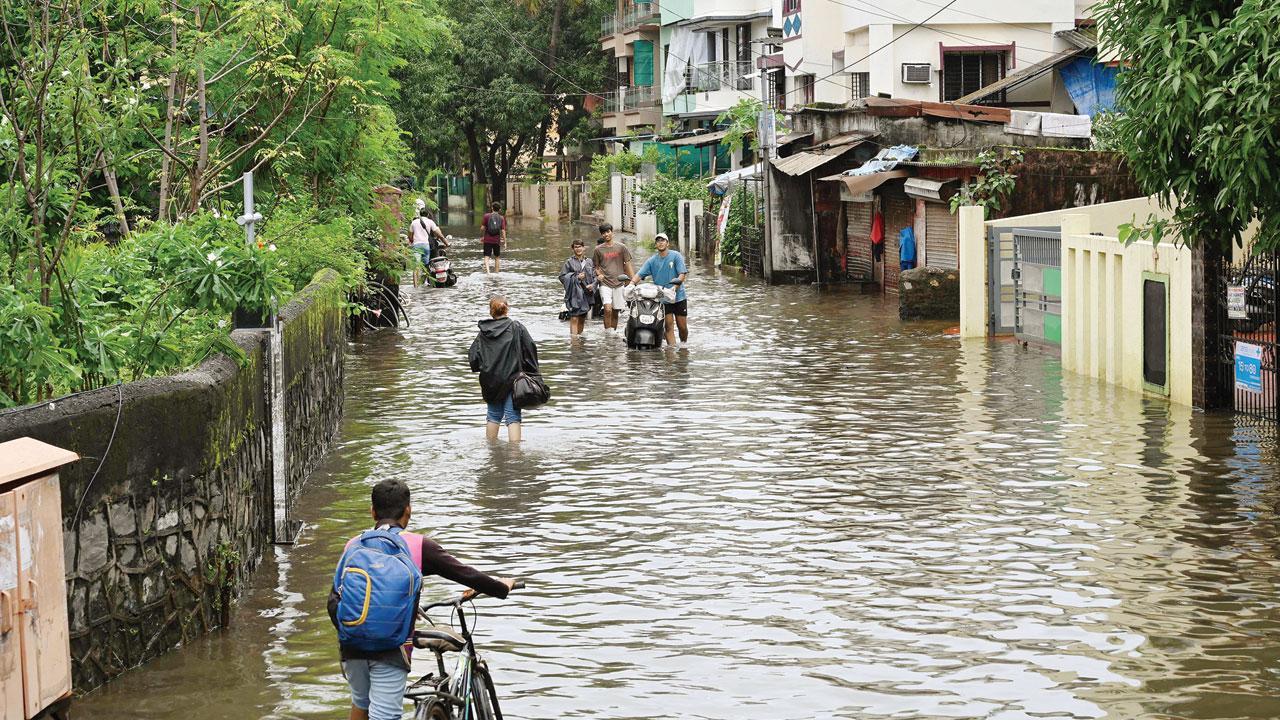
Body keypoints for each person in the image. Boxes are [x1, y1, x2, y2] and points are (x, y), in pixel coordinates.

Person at [329, 479, 516, 720]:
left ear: (372, 511)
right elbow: (465, 573)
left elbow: (334, 600)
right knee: (384, 715)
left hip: (352, 646)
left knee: (361, 704)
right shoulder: (417, 546)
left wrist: (355, 631)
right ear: (408, 510)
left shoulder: (354, 545)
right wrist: (502, 586)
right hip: (391, 648)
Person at [468, 296, 538, 442]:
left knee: (493, 415)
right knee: (512, 417)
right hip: (513, 380)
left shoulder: (483, 332)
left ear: (491, 312)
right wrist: (533, 373)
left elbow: (473, 358)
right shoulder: (517, 328)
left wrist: (485, 368)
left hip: (490, 380)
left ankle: (492, 452)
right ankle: (514, 456)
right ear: (507, 309)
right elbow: (530, 349)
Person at [631, 232, 689, 347]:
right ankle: (671, 351)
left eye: (663, 240)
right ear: (655, 245)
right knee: (668, 325)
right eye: (658, 241)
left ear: (667, 243)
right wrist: (631, 284)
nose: (660, 242)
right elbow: (639, 274)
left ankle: (683, 347)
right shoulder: (652, 261)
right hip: (663, 298)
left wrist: (674, 287)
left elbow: (682, 274)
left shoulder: (676, 256)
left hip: (678, 297)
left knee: (682, 327)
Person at [591, 223, 635, 333]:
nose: (606, 234)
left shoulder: (621, 247)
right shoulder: (598, 250)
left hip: (619, 283)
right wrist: (598, 274)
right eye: (603, 233)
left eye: (608, 232)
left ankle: (613, 332)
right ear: (602, 235)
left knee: (616, 311)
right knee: (607, 308)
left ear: (612, 232)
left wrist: (633, 281)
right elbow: (595, 267)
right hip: (605, 283)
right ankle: (607, 333)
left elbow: (628, 265)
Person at [559, 239, 596, 337]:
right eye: (576, 247)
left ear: (584, 248)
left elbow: (595, 275)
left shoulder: (589, 262)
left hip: (587, 292)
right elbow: (562, 277)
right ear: (573, 249)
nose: (578, 249)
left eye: (580, 246)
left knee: (583, 315)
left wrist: (593, 285)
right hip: (574, 292)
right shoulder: (569, 262)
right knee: (574, 316)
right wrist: (575, 277)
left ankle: (580, 337)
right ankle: (574, 341)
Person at [481, 202, 507, 274]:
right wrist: (505, 242)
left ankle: (488, 272)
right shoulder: (501, 218)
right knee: (497, 257)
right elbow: (503, 231)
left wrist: (482, 236)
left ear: (492, 208)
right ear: (500, 209)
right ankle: (497, 272)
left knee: (486, 256)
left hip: (487, 240)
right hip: (496, 241)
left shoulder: (486, 216)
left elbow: (482, 228)